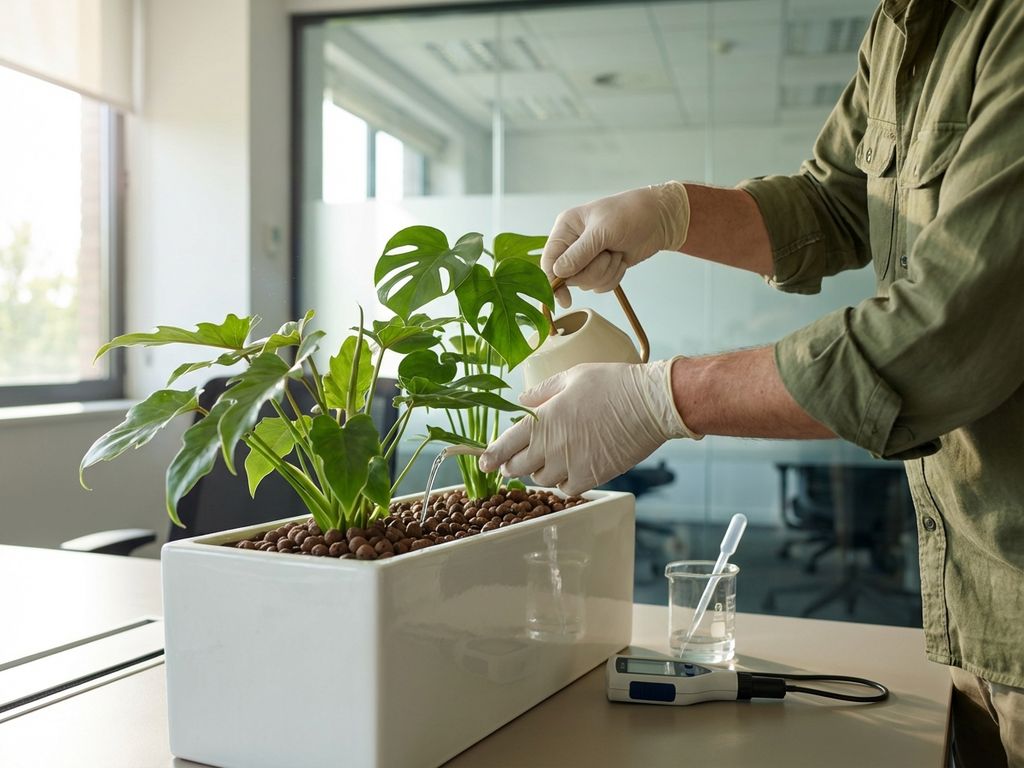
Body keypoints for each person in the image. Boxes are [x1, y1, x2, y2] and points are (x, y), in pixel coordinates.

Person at [478, 0, 1024, 765]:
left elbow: (941, 336)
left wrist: (661, 398)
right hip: (974, 617)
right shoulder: (900, 27)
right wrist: (670, 212)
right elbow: (835, 204)